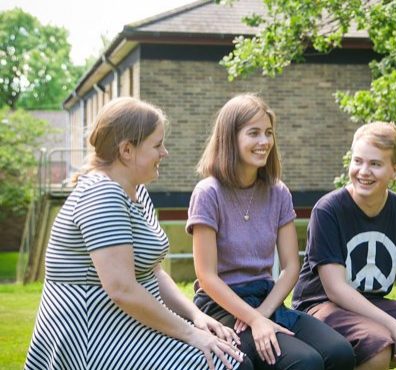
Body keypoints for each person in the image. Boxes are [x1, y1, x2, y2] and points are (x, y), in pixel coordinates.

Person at [25, 97, 246, 370]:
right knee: (226, 365)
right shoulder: (101, 194)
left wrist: (195, 316)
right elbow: (122, 289)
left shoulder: (135, 190)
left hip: (126, 321)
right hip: (92, 332)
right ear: (127, 150)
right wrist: (191, 334)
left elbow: (153, 272)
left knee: (232, 359)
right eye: (157, 145)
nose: (164, 152)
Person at [187, 94, 355, 370]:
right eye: (254, 133)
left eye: (268, 133)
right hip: (222, 306)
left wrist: (263, 314)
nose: (264, 142)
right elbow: (206, 276)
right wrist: (253, 320)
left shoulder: (278, 192)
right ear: (230, 137)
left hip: (266, 300)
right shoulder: (208, 193)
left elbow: (290, 266)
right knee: (306, 363)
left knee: (340, 352)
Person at [292, 122, 396, 370]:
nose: (363, 171)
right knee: (378, 347)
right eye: (357, 161)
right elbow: (336, 289)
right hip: (322, 305)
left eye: (375, 164)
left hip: (373, 302)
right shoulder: (328, 210)